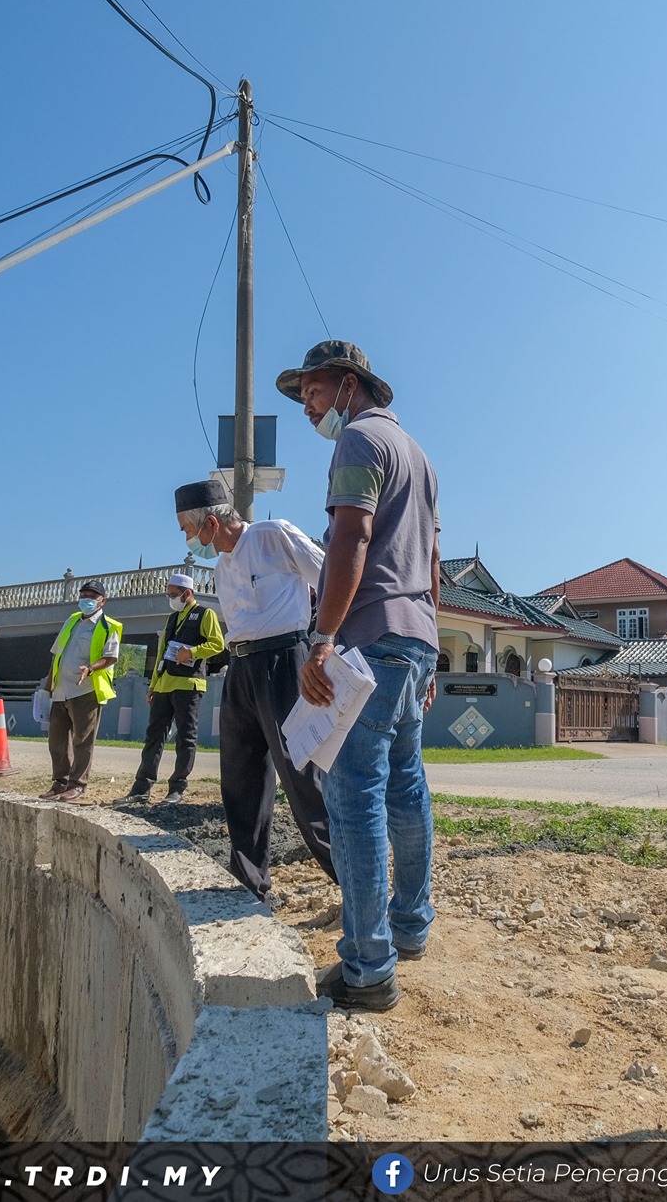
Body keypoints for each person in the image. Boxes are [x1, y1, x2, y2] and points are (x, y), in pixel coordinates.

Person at [280, 339, 440, 1012]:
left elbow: (350, 538)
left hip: (368, 639)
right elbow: (432, 559)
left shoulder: (357, 442)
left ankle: (369, 968)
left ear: (348, 384)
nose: (309, 407)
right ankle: (409, 927)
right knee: (406, 786)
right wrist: (427, 648)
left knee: (355, 798)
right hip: (415, 640)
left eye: (313, 392)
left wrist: (321, 640)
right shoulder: (420, 457)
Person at [175, 476, 337, 901]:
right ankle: (250, 883)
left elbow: (331, 578)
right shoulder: (220, 567)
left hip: (285, 661)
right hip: (240, 669)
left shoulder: (272, 535)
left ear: (210, 522)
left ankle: (353, 880)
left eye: (189, 531)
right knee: (240, 779)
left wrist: (324, 642)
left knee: (302, 775)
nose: (188, 540)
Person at [124, 570, 225, 804]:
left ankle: (177, 788)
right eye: (169, 595)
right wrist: (154, 683)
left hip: (189, 684)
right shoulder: (172, 618)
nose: (171, 599)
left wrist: (193, 652)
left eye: (174, 595)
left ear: (187, 593)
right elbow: (162, 652)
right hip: (165, 684)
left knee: (186, 737)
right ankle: (142, 788)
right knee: (154, 736)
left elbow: (218, 644)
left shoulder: (204, 614)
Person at [41, 579, 122, 803]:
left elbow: (111, 657)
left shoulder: (108, 626)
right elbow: (57, 654)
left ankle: (77, 784)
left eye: (92, 596)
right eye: (83, 595)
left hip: (85, 690)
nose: (86, 599)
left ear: (102, 601)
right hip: (61, 690)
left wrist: (91, 668)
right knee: (57, 739)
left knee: (82, 739)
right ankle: (60, 782)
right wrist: (47, 687)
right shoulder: (72, 621)